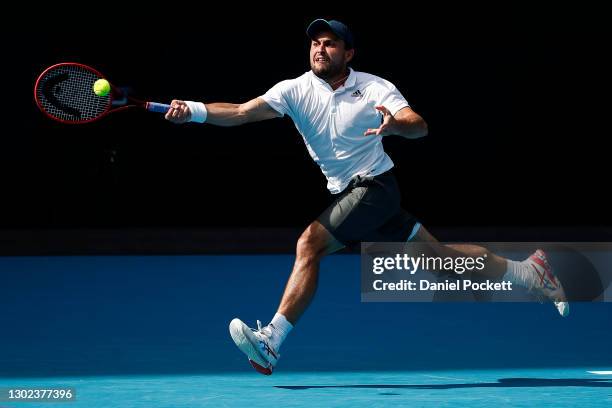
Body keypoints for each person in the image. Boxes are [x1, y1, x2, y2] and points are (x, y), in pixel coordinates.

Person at [165, 18, 569, 375]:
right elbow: (239, 112)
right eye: (315, 43)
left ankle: (271, 341)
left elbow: (419, 125)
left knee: (310, 243)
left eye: (330, 43)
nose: (320, 49)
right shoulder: (294, 90)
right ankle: (531, 272)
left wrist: (394, 126)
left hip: (375, 187)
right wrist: (195, 110)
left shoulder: (375, 87)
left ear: (348, 52)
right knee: (441, 261)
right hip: (352, 194)